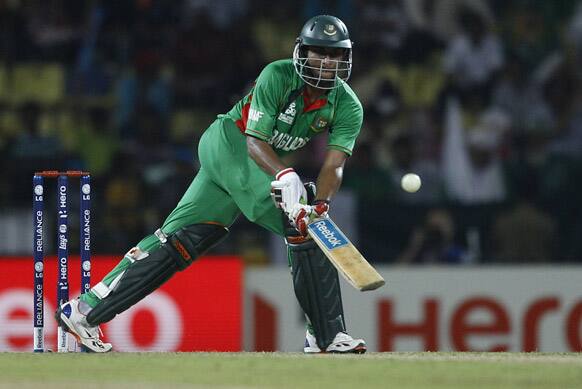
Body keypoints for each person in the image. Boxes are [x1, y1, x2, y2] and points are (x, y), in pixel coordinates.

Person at [56, 15, 367, 354]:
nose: (327, 61)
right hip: (230, 143)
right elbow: (254, 142)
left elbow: (334, 166)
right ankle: (325, 337)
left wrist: (320, 205)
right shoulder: (277, 75)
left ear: (346, 58)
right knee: (299, 225)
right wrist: (286, 177)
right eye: (319, 52)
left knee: (181, 240)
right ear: (301, 53)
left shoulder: (348, 105)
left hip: (250, 166)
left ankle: (84, 311)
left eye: (335, 54)